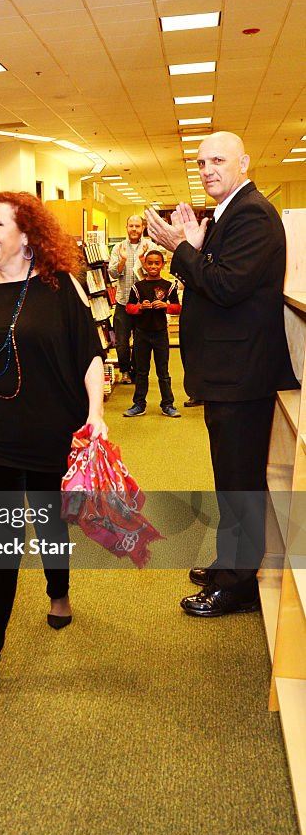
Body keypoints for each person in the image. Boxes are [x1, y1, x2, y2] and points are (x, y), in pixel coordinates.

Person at [0, 191, 108, 686]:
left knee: (48, 520)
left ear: (27, 235)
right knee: (0, 541)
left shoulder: (59, 288)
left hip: (48, 428)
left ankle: (58, 589)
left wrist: (96, 412)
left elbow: (88, 354)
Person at [145, 131, 298, 617]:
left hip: (242, 371)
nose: (207, 168)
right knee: (231, 477)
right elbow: (215, 277)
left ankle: (237, 583)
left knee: (239, 480)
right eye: (201, 161)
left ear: (244, 161)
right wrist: (195, 246)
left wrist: (181, 248)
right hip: (230, 369)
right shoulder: (231, 211)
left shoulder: (251, 212)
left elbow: (226, 286)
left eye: (218, 159)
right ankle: (230, 563)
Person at [123, 249, 181, 418]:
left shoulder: (169, 286)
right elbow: (129, 307)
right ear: (145, 265)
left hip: (161, 334)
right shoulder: (137, 286)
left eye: (157, 263)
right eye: (150, 263)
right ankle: (139, 404)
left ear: (162, 265)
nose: (153, 266)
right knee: (141, 371)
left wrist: (166, 307)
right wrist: (140, 307)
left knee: (163, 371)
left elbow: (178, 308)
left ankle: (168, 404)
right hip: (141, 334)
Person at [107, 216, 150, 384]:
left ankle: (137, 371)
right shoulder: (118, 248)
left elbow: (152, 274)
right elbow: (112, 274)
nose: (134, 229)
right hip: (123, 303)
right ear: (126, 227)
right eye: (131, 225)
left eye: (137, 226)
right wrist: (123, 260)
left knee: (141, 341)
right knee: (121, 342)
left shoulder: (150, 247)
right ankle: (124, 371)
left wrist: (143, 261)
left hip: (142, 305)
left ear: (143, 228)